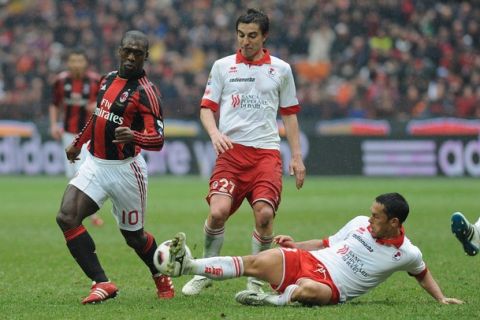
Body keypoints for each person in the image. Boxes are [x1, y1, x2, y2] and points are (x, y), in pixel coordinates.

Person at [182, 8, 306, 296]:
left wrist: (297, 156)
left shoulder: (281, 69)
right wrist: (214, 133)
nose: (245, 41)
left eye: (252, 36)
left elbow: (289, 115)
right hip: (231, 154)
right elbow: (206, 109)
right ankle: (205, 270)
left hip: (266, 154)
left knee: (264, 216)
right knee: (218, 213)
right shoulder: (223, 66)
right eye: (241, 35)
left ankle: (257, 278)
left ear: (264, 37)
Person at [161, 193, 463, 307]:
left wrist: (441, 298)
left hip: (330, 285)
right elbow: (326, 243)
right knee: (253, 262)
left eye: (376, 216)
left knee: (308, 290)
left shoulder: (407, 253)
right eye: (371, 213)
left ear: (394, 222)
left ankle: (272, 300)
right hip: (310, 259)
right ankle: (188, 265)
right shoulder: (359, 223)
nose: (369, 219)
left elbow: (421, 273)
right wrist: (296, 246)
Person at [55, 30, 174, 304]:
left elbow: (157, 139)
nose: (131, 57)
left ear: (146, 57)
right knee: (66, 217)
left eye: (138, 53)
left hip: (126, 171)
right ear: (120, 50)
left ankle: (159, 275)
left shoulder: (147, 92)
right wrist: (78, 142)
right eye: (127, 51)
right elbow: (97, 117)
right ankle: (102, 283)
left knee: (134, 237)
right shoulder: (107, 79)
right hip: (94, 164)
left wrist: (135, 136)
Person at [49, 48, 104, 227]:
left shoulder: (96, 81)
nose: (76, 65)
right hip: (68, 133)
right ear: (68, 63)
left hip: (89, 134)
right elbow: (55, 104)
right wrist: (53, 124)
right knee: (73, 173)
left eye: (80, 61)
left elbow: (106, 106)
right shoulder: (61, 80)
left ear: (85, 63)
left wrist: (94, 107)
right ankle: (85, 213)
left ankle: (87, 213)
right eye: (73, 61)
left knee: (84, 172)